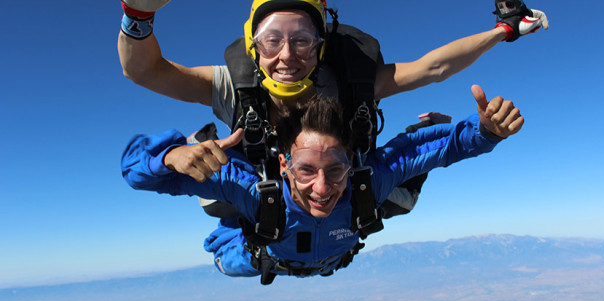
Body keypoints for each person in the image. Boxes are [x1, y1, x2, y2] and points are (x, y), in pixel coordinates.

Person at [118, 0, 547, 223]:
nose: (287, 56)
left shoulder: (348, 86)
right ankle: (202, 144)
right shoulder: (232, 86)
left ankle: (428, 133)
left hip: (337, 183)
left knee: (394, 200)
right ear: (252, 45)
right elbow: (144, 71)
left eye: (302, 40)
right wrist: (137, 15)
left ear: (320, 46)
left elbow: (432, 68)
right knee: (216, 207)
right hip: (260, 182)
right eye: (271, 40)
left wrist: (503, 31)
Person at [121, 84, 524, 284]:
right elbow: (134, 171)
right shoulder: (248, 189)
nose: (321, 187)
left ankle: (424, 123)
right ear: (283, 164)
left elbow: (440, 150)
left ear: (350, 160)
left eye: (335, 169)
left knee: (401, 190)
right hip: (255, 255)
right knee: (223, 248)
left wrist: (484, 133)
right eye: (305, 170)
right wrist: (170, 156)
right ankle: (202, 148)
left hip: (330, 254)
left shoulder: (365, 182)